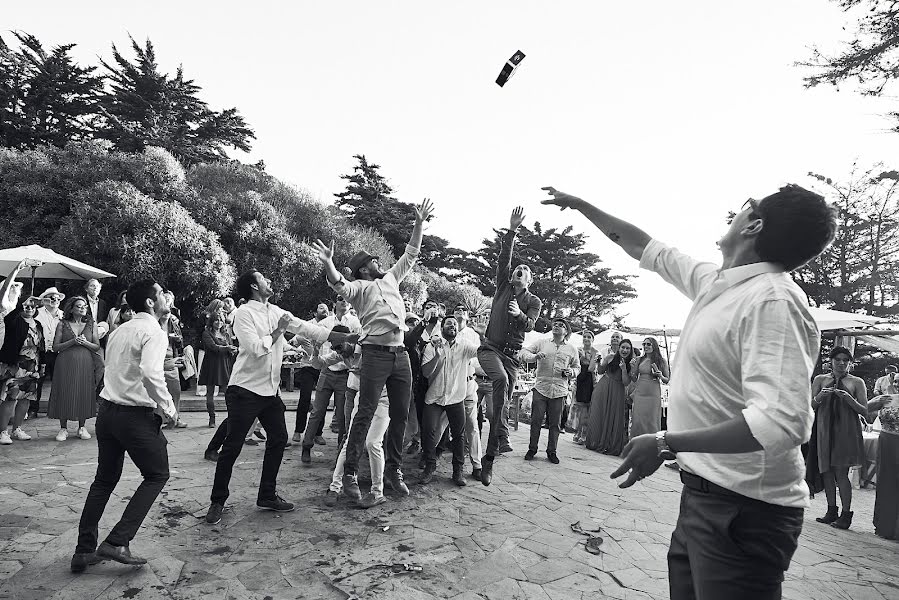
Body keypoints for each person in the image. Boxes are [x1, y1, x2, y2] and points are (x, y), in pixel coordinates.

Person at [542, 184, 836, 600]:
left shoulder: (774, 301)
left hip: (745, 512)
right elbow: (646, 247)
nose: (733, 211)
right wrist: (581, 205)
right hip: (705, 496)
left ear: (754, 225)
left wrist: (667, 440)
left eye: (744, 207)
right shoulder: (719, 283)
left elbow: (780, 423)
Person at [204, 269, 357, 525]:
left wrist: (345, 337)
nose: (270, 281)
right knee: (232, 446)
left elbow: (309, 329)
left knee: (279, 439)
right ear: (254, 285)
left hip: (269, 392)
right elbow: (254, 349)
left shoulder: (275, 311)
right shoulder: (243, 313)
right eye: (264, 279)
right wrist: (278, 331)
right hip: (243, 390)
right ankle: (217, 501)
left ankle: (266, 495)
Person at [311, 198, 434, 500]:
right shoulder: (359, 289)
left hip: (400, 355)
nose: (380, 262)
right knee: (363, 413)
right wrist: (328, 261)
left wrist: (419, 223)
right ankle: (350, 472)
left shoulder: (392, 278)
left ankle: (393, 469)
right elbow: (339, 285)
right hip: (376, 356)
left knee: (401, 414)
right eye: (374, 260)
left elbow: (412, 253)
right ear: (365, 269)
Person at [70, 279, 178, 573]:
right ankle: (118, 540)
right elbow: (150, 371)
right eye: (161, 294)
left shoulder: (119, 330)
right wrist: (168, 407)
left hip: (107, 414)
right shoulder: (152, 331)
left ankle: (83, 551)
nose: (165, 297)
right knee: (157, 474)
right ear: (150, 303)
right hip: (134, 416)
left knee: (104, 481)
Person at [477, 207, 543, 486]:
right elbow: (504, 257)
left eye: (524, 272)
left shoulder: (534, 302)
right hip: (490, 349)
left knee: (498, 408)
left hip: (513, 357)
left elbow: (531, 325)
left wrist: (519, 316)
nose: (520, 271)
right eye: (518, 269)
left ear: (529, 281)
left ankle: (488, 460)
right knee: (501, 382)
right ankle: (502, 433)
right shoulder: (502, 287)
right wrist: (512, 231)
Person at [806, 346, 867, 530]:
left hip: (846, 432)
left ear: (850, 363)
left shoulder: (857, 382)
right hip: (824, 430)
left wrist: (849, 399)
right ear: (830, 361)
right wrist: (819, 397)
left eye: (845, 360)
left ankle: (846, 514)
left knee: (841, 473)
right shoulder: (820, 379)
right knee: (826, 471)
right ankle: (831, 510)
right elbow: (809, 406)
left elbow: (865, 411)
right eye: (838, 359)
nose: (842, 363)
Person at [419, 316, 482, 486]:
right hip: (434, 397)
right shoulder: (432, 346)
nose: (452, 325)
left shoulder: (464, 346)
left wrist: (483, 335)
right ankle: (429, 467)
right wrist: (438, 356)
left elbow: (482, 351)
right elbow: (425, 372)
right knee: (429, 431)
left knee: (459, 435)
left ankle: (458, 471)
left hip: (456, 397)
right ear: (442, 327)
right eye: (449, 323)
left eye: (455, 324)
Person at [519, 317, 579, 464]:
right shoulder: (542, 343)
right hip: (541, 388)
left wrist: (571, 372)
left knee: (555, 424)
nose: (557, 326)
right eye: (555, 325)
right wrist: (534, 356)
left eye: (561, 325)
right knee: (536, 420)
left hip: (559, 390)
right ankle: (532, 449)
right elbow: (523, 353)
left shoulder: (572, 349)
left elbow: (577, 367)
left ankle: (552, 452)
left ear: (566, 331)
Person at [48, 296, 101, 441]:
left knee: (83, 390)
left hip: (85, 361)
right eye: (79, 306)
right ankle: (63, 428)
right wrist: (72, 341)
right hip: (65, 362)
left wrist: (84, 343)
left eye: (84, 306)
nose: (83, 308)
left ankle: (82, 427)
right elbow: (55, 347)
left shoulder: (91, 324)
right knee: (65, 390)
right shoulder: (62, 324)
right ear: (71, 309)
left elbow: (96, 346)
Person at [0, 296, 44, 444]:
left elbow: (40, 346)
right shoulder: (14, 321)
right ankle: (3, 431)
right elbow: (9, 317)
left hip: (32, 365)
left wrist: (42, 365)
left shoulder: (38, 324)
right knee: (11, 397)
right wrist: (23, 303)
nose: (30, 308)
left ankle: (17, 429)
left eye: (33, 306)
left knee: (26, 398)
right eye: (27, 306)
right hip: (16, 365)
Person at [585, 339, 634, 455]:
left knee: (614, 417)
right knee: (598, 413)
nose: (625, 350)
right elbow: (601, 371)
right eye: (623, 347)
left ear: (630, 350)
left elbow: (626, 382)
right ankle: (595, 441)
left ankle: (609, 444)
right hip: (604, 387)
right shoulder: (610, 357)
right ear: (619, 348)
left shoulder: (631, 363)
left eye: (627, 348)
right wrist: (598, 363)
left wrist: (623, 370)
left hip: (618, 390)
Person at [289, 301, 329, 443]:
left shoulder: (330, 326)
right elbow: (293, 342)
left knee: (322, 402)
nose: (325, 310)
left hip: (324, 368)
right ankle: (298, 431)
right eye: (321, 308)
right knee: (304, 399)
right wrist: (297, 350)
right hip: (308, 368)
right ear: (314, 313)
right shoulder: (307, 326)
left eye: (327, 308)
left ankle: (318, 433)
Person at [867, 392, 899, 539]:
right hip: (886, 443)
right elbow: (863, 409)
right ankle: (884, 525)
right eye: (896, 381)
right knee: (885, 482)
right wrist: (877, 401)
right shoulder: (887, 397)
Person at [199, 313, 237, 428]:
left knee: (228, 392)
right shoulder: (206, 333)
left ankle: (233, 417)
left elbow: (229, 346)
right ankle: (212, 418)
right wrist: (227, 348)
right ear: (211, 321)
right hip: (211, 364)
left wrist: (232, 351)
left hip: (224, 364)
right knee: (210, 392)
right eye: (216, 320)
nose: (219, 322)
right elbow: (213, 347)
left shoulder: (225, 334)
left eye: (220, 320)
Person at [630, 337, 670, 439]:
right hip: (640, 392)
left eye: (648, 344)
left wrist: (660, 375)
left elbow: (667, 379)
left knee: (651, 420)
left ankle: (651, 445)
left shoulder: (661, 361)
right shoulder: (640, 359)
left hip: (653, 393)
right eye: (644, 344)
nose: (646, 346)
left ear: (654, 346)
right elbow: (634, 378)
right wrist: (632, 367)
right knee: (637, 419)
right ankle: (636, 445)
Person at [34, 286, 65, 417]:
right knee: (37, 381)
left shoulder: (63, 315)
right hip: (41, 351)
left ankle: (57, 409)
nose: (55, 300)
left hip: (58, 352)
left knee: (58, 381)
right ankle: (32, 409)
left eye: (57, 298)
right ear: (45, 300)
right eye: (52, 297)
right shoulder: (37, 313)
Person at [571, 329, 597, 445]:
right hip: (579, 379)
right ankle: (577, 431)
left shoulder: (595, 352)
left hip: (589, 380)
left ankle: (584, 433)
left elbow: (592, 368)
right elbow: (573, 364)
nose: (586, 339)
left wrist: (585, 358)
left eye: (588, 337)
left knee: (586, 408)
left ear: (592, 339)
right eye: (584, 337)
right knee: (578, 408)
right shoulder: (578, 350)